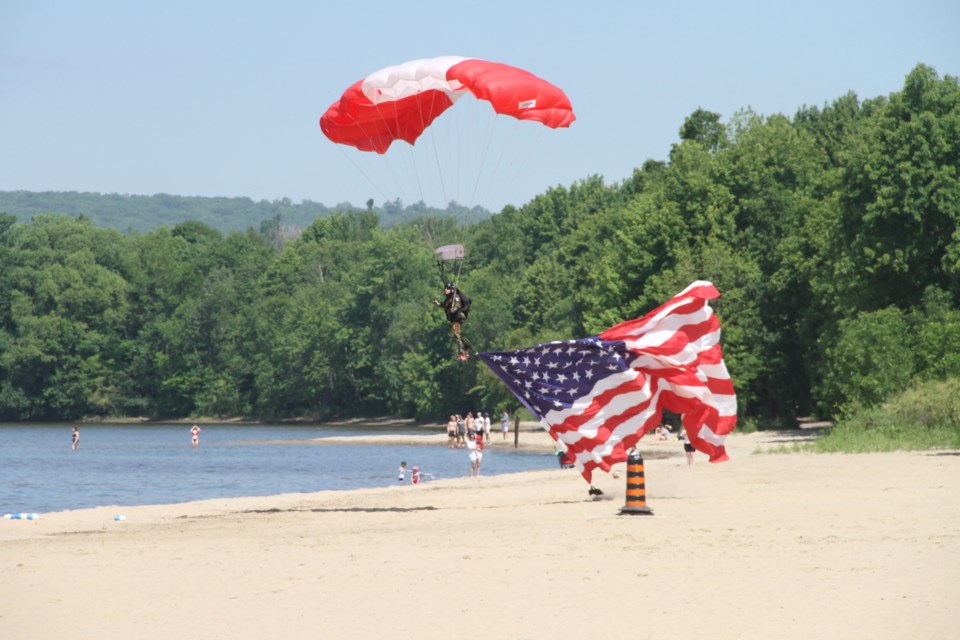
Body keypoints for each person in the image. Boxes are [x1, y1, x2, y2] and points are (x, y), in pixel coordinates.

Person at [433, 282, 472, 360]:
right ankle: (467, 344)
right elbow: (445, 306)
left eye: (447, 289)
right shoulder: (448, 299)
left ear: (451, 290)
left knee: (456, 334)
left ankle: (462, 353)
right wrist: (438, 304)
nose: (445, 290)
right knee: (457, 334)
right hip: (453, 320)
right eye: (445, 288)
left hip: (457, 318)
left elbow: (458, 305)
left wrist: (453, 309)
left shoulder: (455, 297)